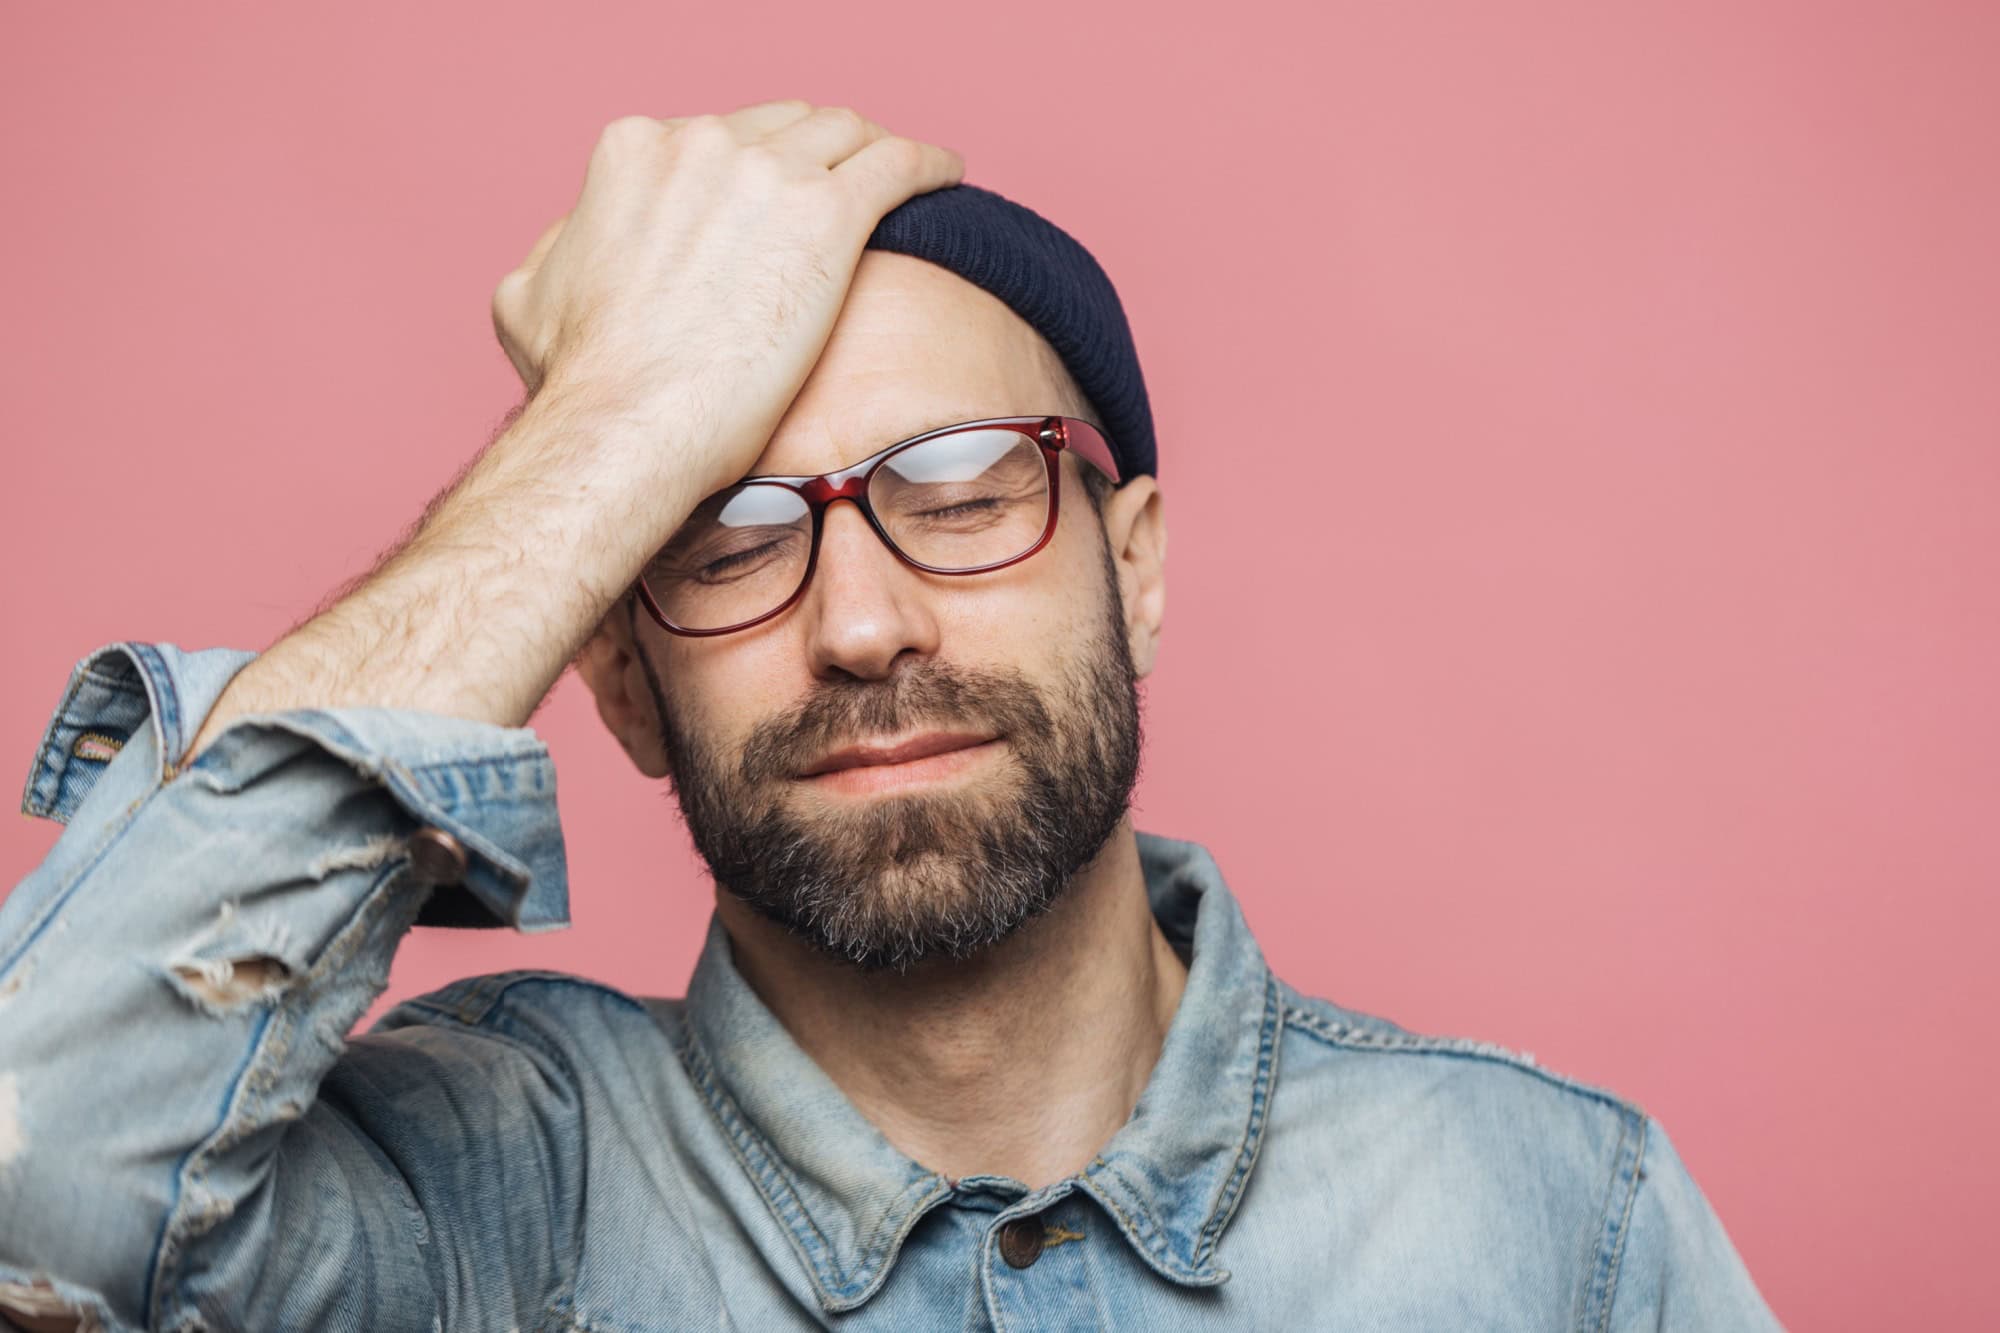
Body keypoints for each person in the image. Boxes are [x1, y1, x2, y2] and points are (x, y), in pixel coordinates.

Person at [0, 100, 1780, 1331]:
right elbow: (36, 1189)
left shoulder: (1559, 1213)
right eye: (724, 533)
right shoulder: (466, 1205)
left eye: (961, 488)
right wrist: (609, 426)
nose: (862, 623)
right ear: (615, 672)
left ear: (1135, 567)